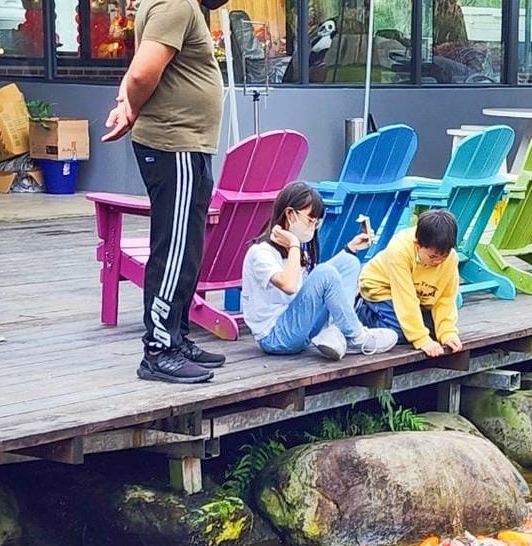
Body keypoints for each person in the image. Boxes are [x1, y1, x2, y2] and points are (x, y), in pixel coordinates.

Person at [103, 0, 227, 384]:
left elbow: (138, 67)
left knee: (187, 247)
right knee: (174, 248)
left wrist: (126, 104)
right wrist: (133, 107)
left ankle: (177, 336)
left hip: (188, 144)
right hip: (175, 144)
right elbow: (142, 74)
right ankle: (159, 351)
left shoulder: (180, 5)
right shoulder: (175, 3)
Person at [240, 182, 400, 360]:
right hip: (275, 337)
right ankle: (356, 336)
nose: (313, 226)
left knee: (349, 262)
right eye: (310, 219)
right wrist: (294, 244)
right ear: (290, 214)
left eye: (317, 222)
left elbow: (317, 282)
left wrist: (349, 249)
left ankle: (337, 332)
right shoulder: (261, 253)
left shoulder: (297, 250)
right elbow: (290, 285)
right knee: (325, 273)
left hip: (299, 325)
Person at [356, 210, 463, 359]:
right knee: (400, 332)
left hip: (417, 296)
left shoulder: (451, 258)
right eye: (432, 257)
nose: (438, 261)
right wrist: (422, 340)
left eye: (443, 257)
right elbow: (405, 298)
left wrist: (447, 333)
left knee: (432, 330)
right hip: (381, 288)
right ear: (417, 244)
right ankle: (359, 315)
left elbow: (445, 298)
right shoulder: (400, 251)